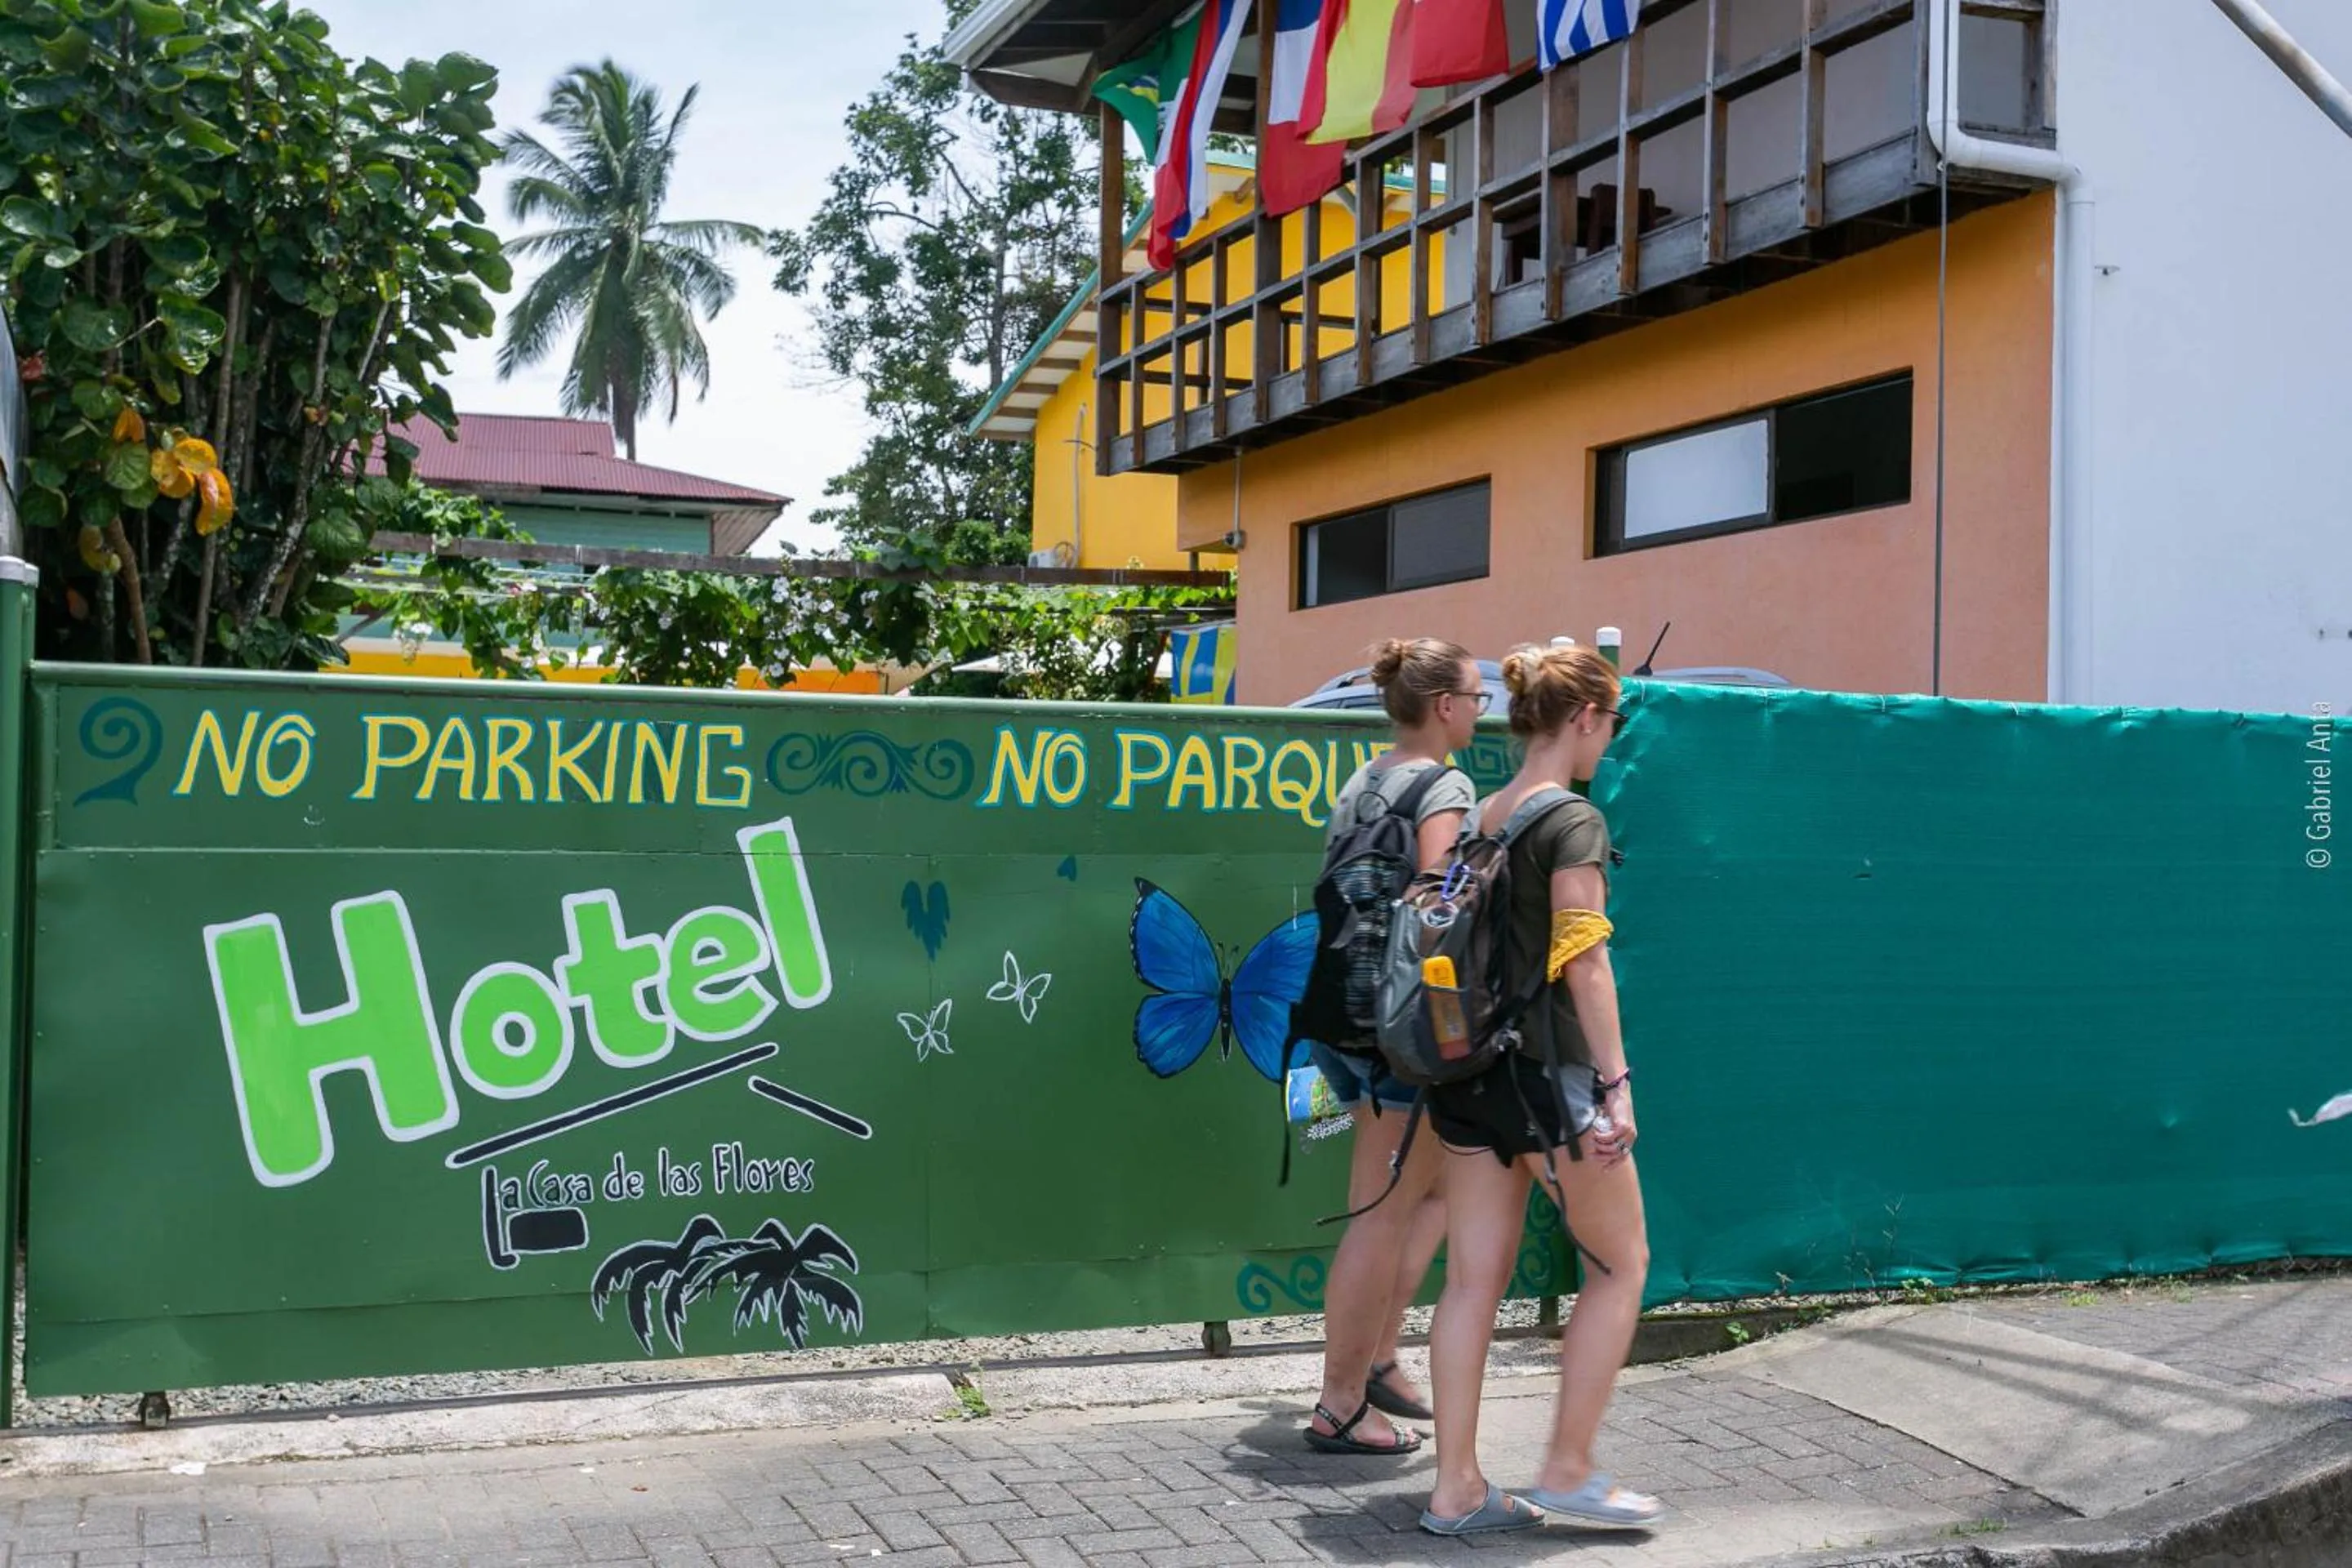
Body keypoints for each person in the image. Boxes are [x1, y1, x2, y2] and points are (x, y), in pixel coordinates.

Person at [1418, 640, 1659, 1537]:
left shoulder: (1485, 815)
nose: (1611, 737)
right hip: (1549, 1082)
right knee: (1621, 1265)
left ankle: (1455, 1490)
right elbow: (1584, 960)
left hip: (1471, 1077)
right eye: (1612, 720)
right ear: (1586, 717)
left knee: (1470, 1283)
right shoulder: (1572, 820)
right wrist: (1616, 1084)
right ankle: (1568, 1469)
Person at [1300, 638, 1486, 1458]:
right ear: (1444, 707)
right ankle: (1341, 1405)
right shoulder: (1445, 784)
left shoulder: (1365, 778)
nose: (1480, 710)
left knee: (1432, 1193)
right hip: (1398, 1030)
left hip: (1342, 1012)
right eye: (1476, 697)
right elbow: (1439, 901)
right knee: (1381, 1212)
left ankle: (1378, 1359)